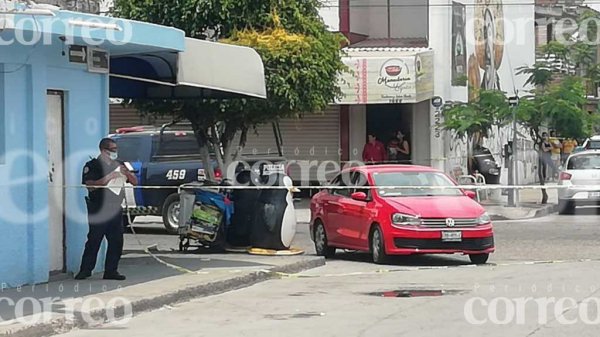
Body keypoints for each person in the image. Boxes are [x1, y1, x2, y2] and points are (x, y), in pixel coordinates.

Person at [75, 138, 138, 280]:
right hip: (98, 208)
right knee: (94, 239)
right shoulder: (93, 165)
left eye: (116, 149)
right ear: (104, 150)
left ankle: (111, 271)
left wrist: (127, 173)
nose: (115, 152)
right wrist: (109, 177)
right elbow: (90, 185)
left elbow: (135, 182)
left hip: (115, 208)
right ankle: (85, 270)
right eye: (113, 149)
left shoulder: (119, 164)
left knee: (116, 241)